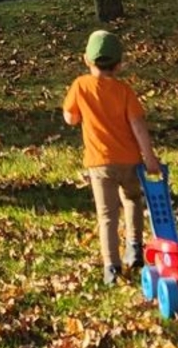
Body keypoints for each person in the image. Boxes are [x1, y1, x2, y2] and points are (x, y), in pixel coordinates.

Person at [62, 28, 164, 285]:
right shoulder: (125, 91)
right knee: (132, 200)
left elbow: (70, 118)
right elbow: (139, 126)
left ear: (86, 60)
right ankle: (134, 246)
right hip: (130, 160)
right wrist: (149, 158)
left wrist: (83, 114)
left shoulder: (80, 86)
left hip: (99, 163)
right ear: (119, 65)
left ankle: (112, 267)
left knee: (107, 215)